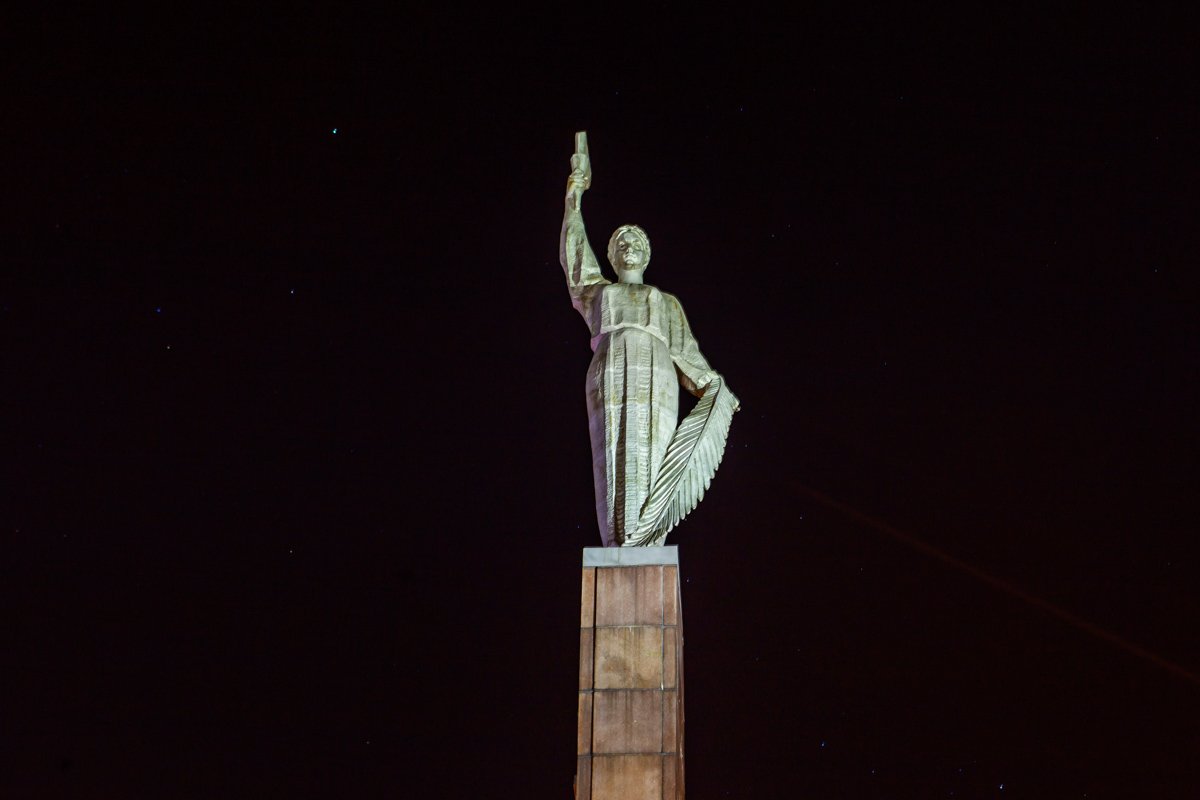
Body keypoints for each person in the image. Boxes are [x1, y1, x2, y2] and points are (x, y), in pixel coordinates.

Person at [560, 136, 738, 547]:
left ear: (647, 254)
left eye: (636, 242)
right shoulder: (599, 293)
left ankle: (646, 542)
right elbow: (575, 259)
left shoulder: (665, 302)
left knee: (651, 459)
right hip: (608, 371)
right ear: (611, 256)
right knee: (612, 455)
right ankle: (617, 545)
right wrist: (574, 199)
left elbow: (686, 354)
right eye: (620, 244)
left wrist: (713, 385)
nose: (628, 247)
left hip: (657, 375)